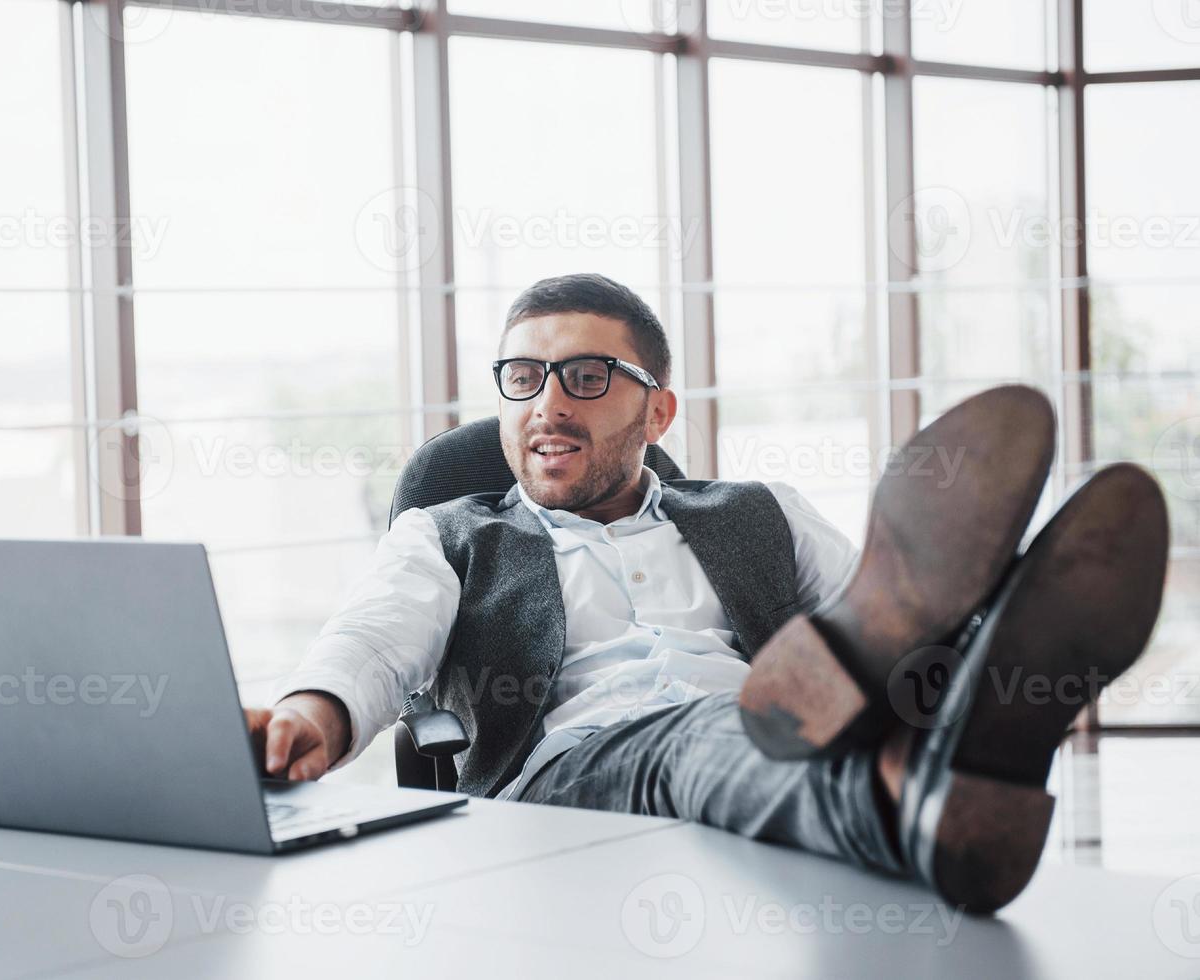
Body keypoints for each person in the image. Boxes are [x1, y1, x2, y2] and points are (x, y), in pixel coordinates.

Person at [245, 273, 1169, 913]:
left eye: (586, 377)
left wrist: (945, 645)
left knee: (875, 660)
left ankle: (947, 725)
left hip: (772, 745)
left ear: (657, 411)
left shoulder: (756, 511)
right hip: (564, 778)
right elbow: (373, 639)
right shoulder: (447, 534)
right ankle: (926, 772)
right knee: (700, 730)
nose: (546, 404)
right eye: (522, 379)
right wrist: (314, 710)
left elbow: (882, 612)